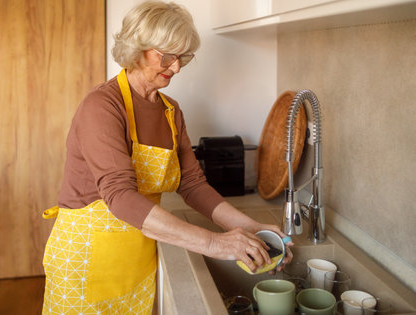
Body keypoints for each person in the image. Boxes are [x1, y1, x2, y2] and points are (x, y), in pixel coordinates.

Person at [41, 1, 293, 314]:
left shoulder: (170, 111)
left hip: (138, 260)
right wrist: (215, 243)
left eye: (183, 57)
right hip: (85, 262)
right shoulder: (101, 106)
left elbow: (192, 184)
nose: (175, 67)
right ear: (136, 47)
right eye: (167, 55)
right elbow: (120, 196)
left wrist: (250, 227)